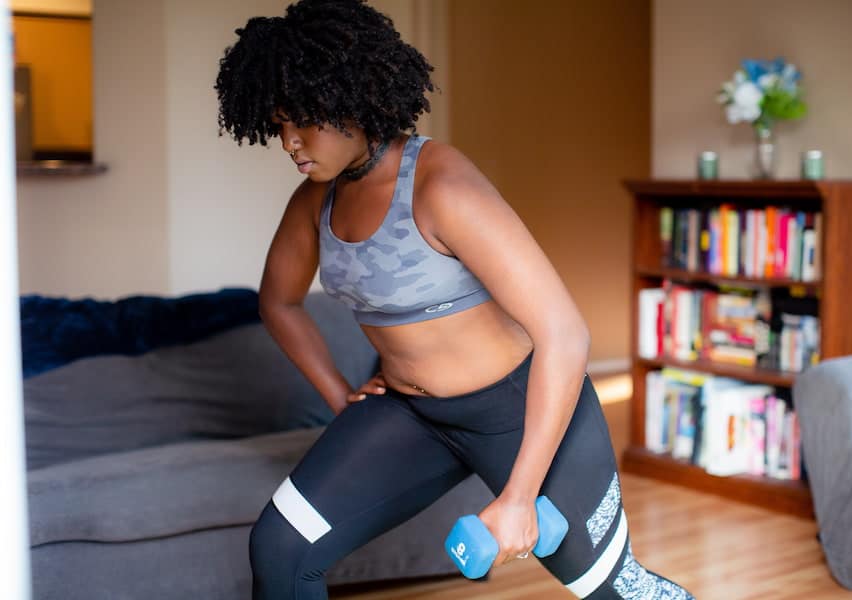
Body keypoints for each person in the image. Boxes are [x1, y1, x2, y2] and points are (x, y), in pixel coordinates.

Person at [215, 1, 694, 598]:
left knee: (617, 589)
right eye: (279, 124)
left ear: (351, 99)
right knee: (281, 547)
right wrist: (340, 395)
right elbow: (278, 303)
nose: (289, 142)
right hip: (412, 415)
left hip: (517, 410)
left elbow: (565, 333)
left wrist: (520, 498)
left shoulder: (441, 185)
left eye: (303, 121)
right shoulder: (315, 204)